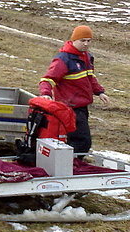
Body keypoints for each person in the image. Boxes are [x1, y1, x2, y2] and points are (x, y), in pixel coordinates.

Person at [38, 25, 109, 153]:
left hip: (82, 106)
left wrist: (99, 92)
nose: (86, 44)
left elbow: (89, 77)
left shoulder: (86, 57)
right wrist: (46, 93)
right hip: (70, 108)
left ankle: (71, 160)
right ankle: (74, 161)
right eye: (83, 40)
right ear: (74, 40)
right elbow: (47, 79)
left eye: (89, 40)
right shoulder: (63, 59)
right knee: (82, 141)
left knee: (75, 139)